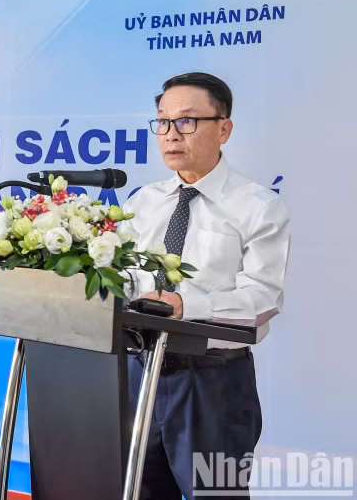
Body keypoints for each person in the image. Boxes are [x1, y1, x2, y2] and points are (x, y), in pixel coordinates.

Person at [121, 72, 291, 499]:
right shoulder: (142, 203)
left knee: (216, 495)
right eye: (162, 122)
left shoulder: (257, 207)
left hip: (211, 385)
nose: (171, 135)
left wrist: (184, 304)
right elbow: (123, 279)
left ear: (224, 128)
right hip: (137, 373)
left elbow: (263, 298)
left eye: (186, 121)